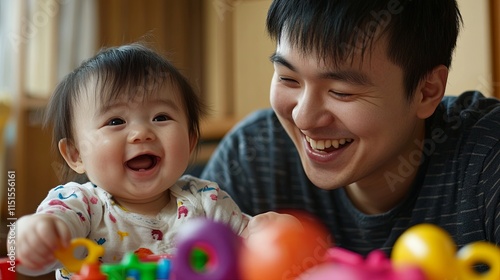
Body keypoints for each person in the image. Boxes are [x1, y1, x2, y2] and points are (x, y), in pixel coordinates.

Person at [201, 0, 500, 257]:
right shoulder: (253, 159)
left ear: (427, 91)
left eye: (341, 92)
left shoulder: (488, 158)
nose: (303, 117)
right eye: (288, 79)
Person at [13, 43, 283, 279]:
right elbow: (42, 252)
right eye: (116, 121)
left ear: (189, 141)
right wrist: (37, 236)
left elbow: (252, 250)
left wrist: (268, 234)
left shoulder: (206, 201)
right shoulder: (80, 205)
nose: (142, 133)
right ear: (76, 155)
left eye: (161, 117)